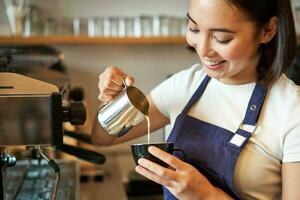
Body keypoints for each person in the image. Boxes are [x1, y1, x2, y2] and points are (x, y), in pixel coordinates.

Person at [92, 0, 300, 199]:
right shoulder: (187, 84)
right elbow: (103, 138)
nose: (202, 50)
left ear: (267, 30)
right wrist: (115, 98)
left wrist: (206, 195)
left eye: (221, 38)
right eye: (193, 28)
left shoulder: (291, 109)